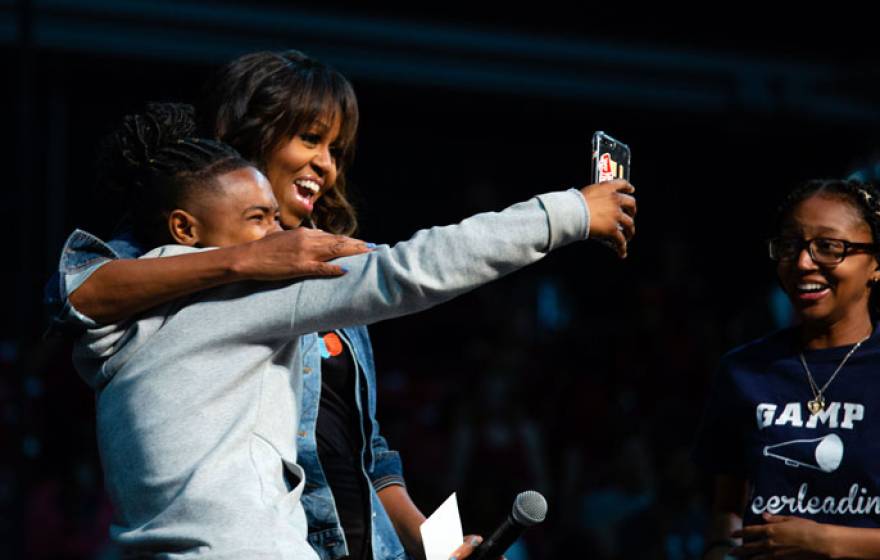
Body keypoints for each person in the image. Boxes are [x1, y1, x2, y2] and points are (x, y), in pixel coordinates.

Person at [51, 51, 637, 559]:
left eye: (336, 148)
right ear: (245, 139)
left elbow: (367, 455)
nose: (327, 164)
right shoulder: (200, 272)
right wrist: (569, 212)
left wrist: (434, 547)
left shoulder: (308, 271)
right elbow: (76, 292)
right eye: (310, 139)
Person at [695, 179, 880, 559]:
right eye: (790, 246)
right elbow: (727, 508)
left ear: (876, 264)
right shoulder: (743, 370)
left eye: (829, 247)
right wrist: (719, 549)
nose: (802, 263)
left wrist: (824, 542)